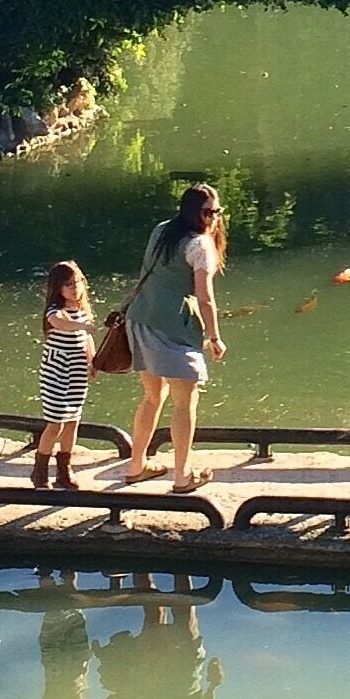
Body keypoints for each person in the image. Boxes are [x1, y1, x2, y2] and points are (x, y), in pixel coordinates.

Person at [117, 183, 227, 493]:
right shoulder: (199, 246)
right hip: (171, 328)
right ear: (195, 213)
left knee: (153, 397)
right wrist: (215, 337)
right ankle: (182, 477)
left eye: (217, 211)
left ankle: (136, 466)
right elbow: (205, 298)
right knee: (185, 402)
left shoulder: (162, 230)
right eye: (209, 212)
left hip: (140, 320)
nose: (214, 218)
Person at [34, 259, 94, 490]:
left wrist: (93, 362)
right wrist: (82, 327)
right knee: (55, 422)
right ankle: (40, 470)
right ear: (57, 287)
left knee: (72, 421)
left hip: (77, 370)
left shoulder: (81, 312)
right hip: (57, 370)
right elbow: (60, 324)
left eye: (77, 282)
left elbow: (87, 341)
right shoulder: (55, 311)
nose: (74, 287)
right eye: (68, 284)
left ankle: (64, 469)